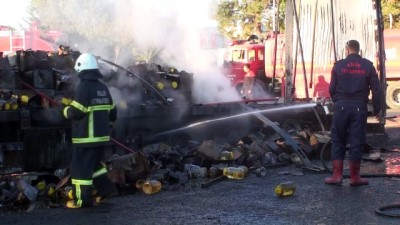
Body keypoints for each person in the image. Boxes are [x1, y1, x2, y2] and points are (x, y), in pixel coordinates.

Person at [62, 53, 118, 208]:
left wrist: (66, 110)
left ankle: (82, 201)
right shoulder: (103, 88)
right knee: (94, 166)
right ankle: (106, 191)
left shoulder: (83, 87)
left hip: (85, 139)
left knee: (79, 170)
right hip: (101, 139)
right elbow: (113, 112)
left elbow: (77, 112)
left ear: (81, 68)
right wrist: (109, 127)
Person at [326, 40, 382, 186]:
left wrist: (338, 101)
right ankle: (354, 177)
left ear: (347, 50)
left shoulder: (338, 65)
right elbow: (376, 89)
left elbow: (332, 88)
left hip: (341, 107)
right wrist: (378, 109)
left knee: (338, 139)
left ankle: (337, 176)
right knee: (357, 140)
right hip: (359, 107)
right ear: (359, 50)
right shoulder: (367, 65)